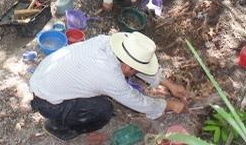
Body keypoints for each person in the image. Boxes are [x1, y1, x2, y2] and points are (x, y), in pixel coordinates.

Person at [29, 31, 188, 141]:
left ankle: (64, 113)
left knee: (101, 95)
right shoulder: (109, 75)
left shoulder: (107, 42)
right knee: (103, 110)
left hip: (44, 77)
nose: (136, 72)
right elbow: (136, 100)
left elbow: (135, 66)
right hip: (47, 101)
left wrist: (169, 85)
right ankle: (58, 126)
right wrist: (169, 105)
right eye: (134, 70)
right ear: (128, 66)